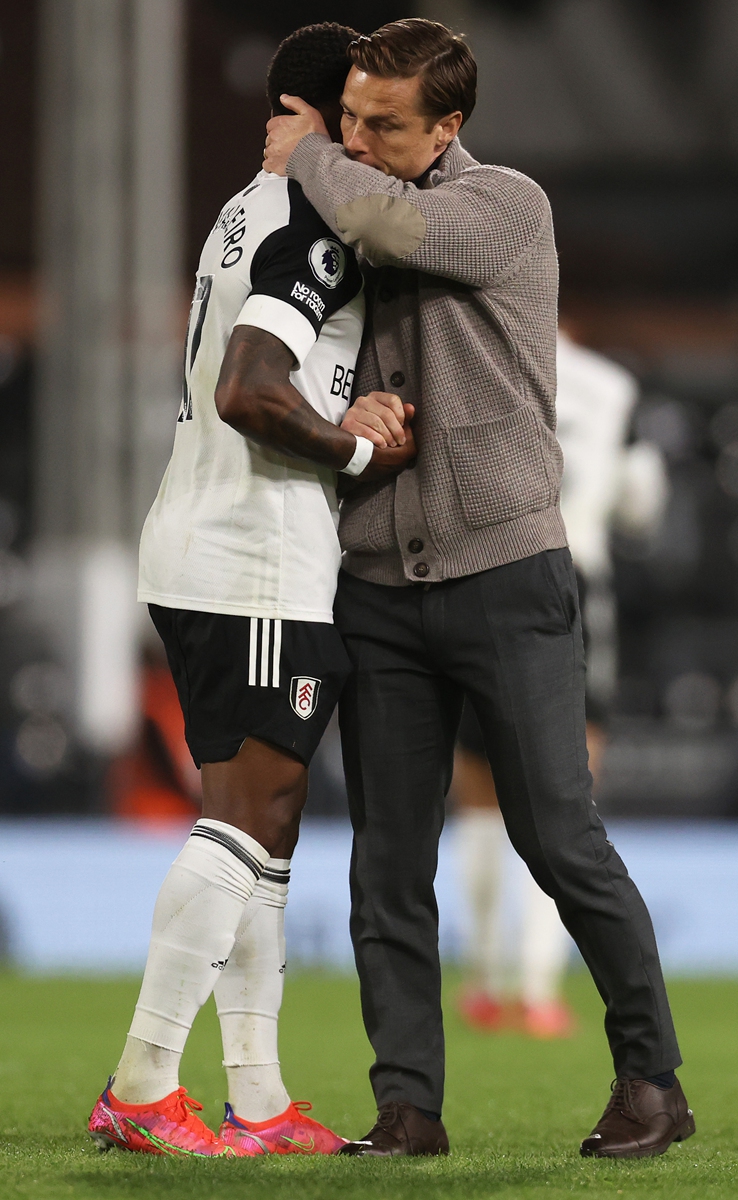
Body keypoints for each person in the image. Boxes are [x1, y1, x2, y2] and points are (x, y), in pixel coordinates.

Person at [262, 17, 693, 1160]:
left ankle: (651, 1081)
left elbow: (378, 218)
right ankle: (407, 1109)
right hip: (379, 586)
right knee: (388, 865)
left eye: (379, 124)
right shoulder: (352, 192)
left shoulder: (503, 202)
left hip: (506, 571)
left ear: (447, 128)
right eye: (345, 114)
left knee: (558, 839)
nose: (355, 138)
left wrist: (303, 149)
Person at [88, 23, 415, 1160]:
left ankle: (260, 1101)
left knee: (264, 835)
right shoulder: (313, 218)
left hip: (198, 541)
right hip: (256, 554)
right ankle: (140, 1085)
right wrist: (361, 452)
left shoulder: (246, 205)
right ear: (329, 117)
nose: (378, 143)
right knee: (246, 822)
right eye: (364, 117)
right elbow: (250, 388)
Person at [452, 329, 669, 1040]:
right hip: (571, 584)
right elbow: (642, 501)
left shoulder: (473, 359)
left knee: (480, 798)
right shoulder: (611, 385)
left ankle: (482, 983)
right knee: (566, 796)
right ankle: (540, 992)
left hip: (481, 577)